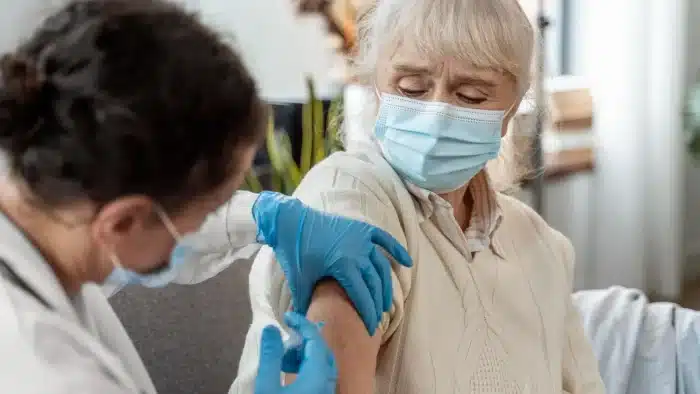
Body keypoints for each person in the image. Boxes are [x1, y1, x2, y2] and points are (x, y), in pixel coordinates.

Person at [0, 1, 412, 393]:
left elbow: (158, 226)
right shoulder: (45, 370)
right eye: (206, 212)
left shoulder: (49, 205)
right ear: (122, 222)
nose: (205, 225)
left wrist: (266, 215)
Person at [230, 0, 606, 393]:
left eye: (472, 95)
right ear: (377, 85)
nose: (437, 112)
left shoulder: (544, 247)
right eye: (411, 87)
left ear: (512, 108)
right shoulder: (351, 196)